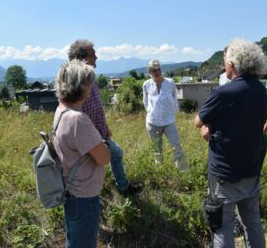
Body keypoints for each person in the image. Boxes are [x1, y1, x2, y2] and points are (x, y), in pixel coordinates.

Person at [195, 38, 267, 247]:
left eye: (225, 61)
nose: (223, 65)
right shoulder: (260, 91)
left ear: (233, 64)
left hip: (224, 174)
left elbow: (198, 120)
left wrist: (206, 125)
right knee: (252, 222)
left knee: (222, 226)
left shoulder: (224, 92)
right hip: (252, 170)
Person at [68, 39, 144, 196]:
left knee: (115, 154)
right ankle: (112, 190)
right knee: (104, 159)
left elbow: (96, 106)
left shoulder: (90, 77)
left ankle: (118, 187)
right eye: (93, 54)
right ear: (82, 57)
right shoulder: (75, 81)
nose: (96, 57)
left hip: (98, 133)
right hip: (88, 137)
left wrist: (105, 127)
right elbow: (76, 113)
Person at [53, 60, 110, 248]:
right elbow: (104, 158)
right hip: (85, 196)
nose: (91, 87)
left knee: (75, 242)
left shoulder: (61, 111)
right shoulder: (78, 120)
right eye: (89, 83)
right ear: (80, 86)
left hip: (72, 192)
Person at [142, 59, 189, 171]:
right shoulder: (146, 85)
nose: (157, 72)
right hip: (152, 122)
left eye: (159, 69)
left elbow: (174, 97)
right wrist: (150, 111)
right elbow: (145, 101)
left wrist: (174, 112)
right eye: (154, 70)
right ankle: (160, 172)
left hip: (169, 121)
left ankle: (183, 171)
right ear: (150, 72)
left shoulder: (170, 82)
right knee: (157, 150)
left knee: (177, 147)